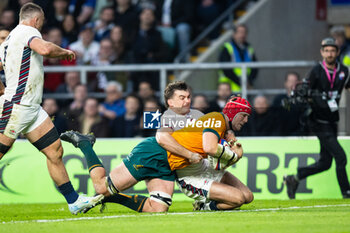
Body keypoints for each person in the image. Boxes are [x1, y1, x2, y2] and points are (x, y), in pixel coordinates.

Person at [61, 84, 252, 213]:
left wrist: (228, 141)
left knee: (157, 208)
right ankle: (86, 144)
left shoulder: (198, 118)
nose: (187, 101)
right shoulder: (188, 117)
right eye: (182, 97)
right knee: (101, 186)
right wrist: (194, 154)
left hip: (168, 165)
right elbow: (161, 138)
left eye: (188, 98)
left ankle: (112, 198)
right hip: (153, 153)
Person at [0, 3, 102, 214]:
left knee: (55, 151)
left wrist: (2, 91)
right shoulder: (28, 31)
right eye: (42, 22)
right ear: (37, 20)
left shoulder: (8, 41)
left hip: (32, 109)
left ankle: (74, 201)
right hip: (18, 106)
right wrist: (64, 52)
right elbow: (45, 49)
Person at [284, 37, 350, 199]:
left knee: (325, 163)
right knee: (341, 157)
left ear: (337, 52)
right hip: (318, 122)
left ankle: (295, 178)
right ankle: (347, 192)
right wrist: (304, 96)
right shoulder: (316, 70)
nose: (329, 53)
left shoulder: (344, 71)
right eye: (326, 50)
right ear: (322, 52)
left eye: (332, 50)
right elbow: (304, 91)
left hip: (332, 120)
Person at [218, 24, 258, 92]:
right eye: (240, 32)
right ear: (234, 34)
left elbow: (255, 67)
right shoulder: (227, 47)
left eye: (244, 32)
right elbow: (226, 69)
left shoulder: (249, 49)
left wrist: (249, 81)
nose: (242, 35)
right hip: (229, 88)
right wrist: (240, 82)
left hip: (246, 87)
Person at [272, 71, 303, 136]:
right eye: (290, 81)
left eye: (295, 81)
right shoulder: (278, 99)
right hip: (281, 136)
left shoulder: (303, 99)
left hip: (299, 136)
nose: (292, 84)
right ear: (285, 83)